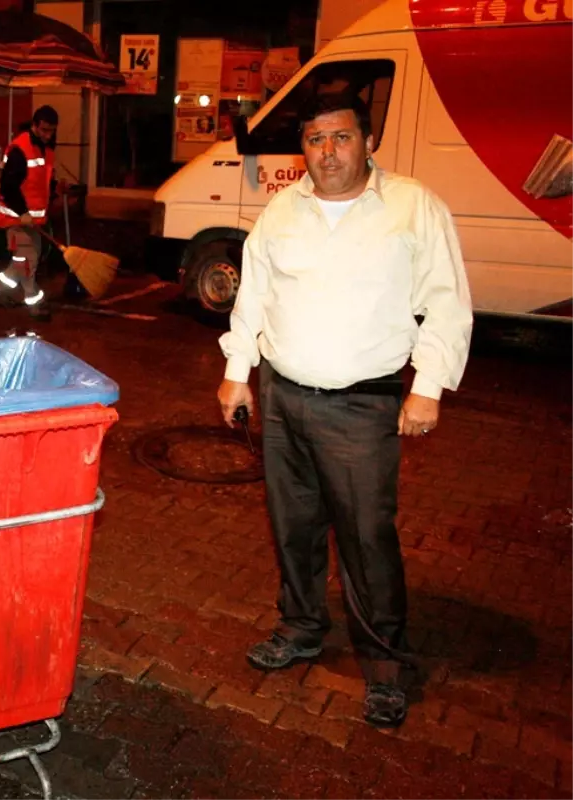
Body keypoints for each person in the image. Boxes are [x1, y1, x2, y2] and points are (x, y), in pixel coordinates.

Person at [216, 92, 473, 728]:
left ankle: (385, 665)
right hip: (282, 398)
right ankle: (302, 628)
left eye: (341, 138)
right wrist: (235, 375)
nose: (328, 153)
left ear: (367, 141)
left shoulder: (412, 207)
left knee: (366, 538)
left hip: (362, 406)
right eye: (314, 140)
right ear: (301, 147)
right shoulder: (282, 209)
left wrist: (428, 386)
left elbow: (447, 303)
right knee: (293, 528)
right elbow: (253, 299)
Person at [0, 106, 59, 321]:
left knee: (27, 259)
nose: (48, 135)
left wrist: (56, 190)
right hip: (16, 218)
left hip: (32, 219)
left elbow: (41, 182)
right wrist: (23, 213)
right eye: (44, 130)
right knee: (28, 260)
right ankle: (35, 303)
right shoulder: (20, 150)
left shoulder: (45, 150)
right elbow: (8, 187)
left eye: (52, 131)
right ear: (34, 126)